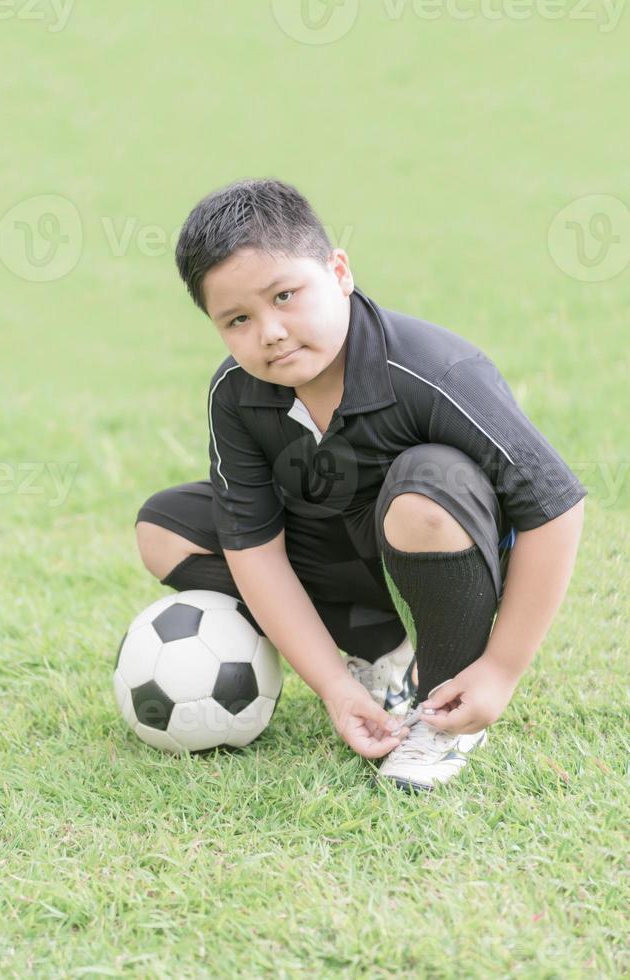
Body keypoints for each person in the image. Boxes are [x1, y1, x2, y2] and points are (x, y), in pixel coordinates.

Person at [135, 178, 586, 793]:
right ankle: (376, 654)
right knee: (163, 530)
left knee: (423, 492)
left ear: (339, 271)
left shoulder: (432, 368)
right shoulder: (235, 394)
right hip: (340, 556)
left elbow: (553, 507)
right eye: (238, 319)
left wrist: (501, 669)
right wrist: (333, 687)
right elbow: (253, 548)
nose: (269, 331)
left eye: (286, 295)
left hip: (448, 551)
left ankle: (447, 703)